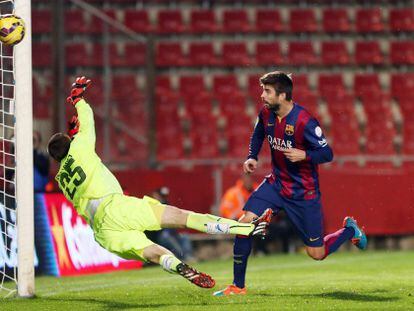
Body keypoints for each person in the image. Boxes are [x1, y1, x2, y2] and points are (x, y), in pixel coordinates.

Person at [47, 77, 273, 289]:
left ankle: (178, 266)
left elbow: (70, 155)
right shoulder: (80, 147)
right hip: (118, 208)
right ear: (71, 142)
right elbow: (87, 119)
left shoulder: (61, 179)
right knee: (181, 217)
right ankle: (248, 228)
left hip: (103, 231)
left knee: (152, 253)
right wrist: (78, 99)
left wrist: (72, 137)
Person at [214, 71, 367, 296]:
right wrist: (252, 156)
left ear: (283, 95)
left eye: (267, 91)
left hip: (303, 193)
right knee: (244, 224)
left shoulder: (305, 121)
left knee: (316, 253)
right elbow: (258, 134)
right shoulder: (266, 113)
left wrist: (304, 155)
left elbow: (327, 153)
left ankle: (349, 230)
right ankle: (238, 286)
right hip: (276, 185)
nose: (262, 95)